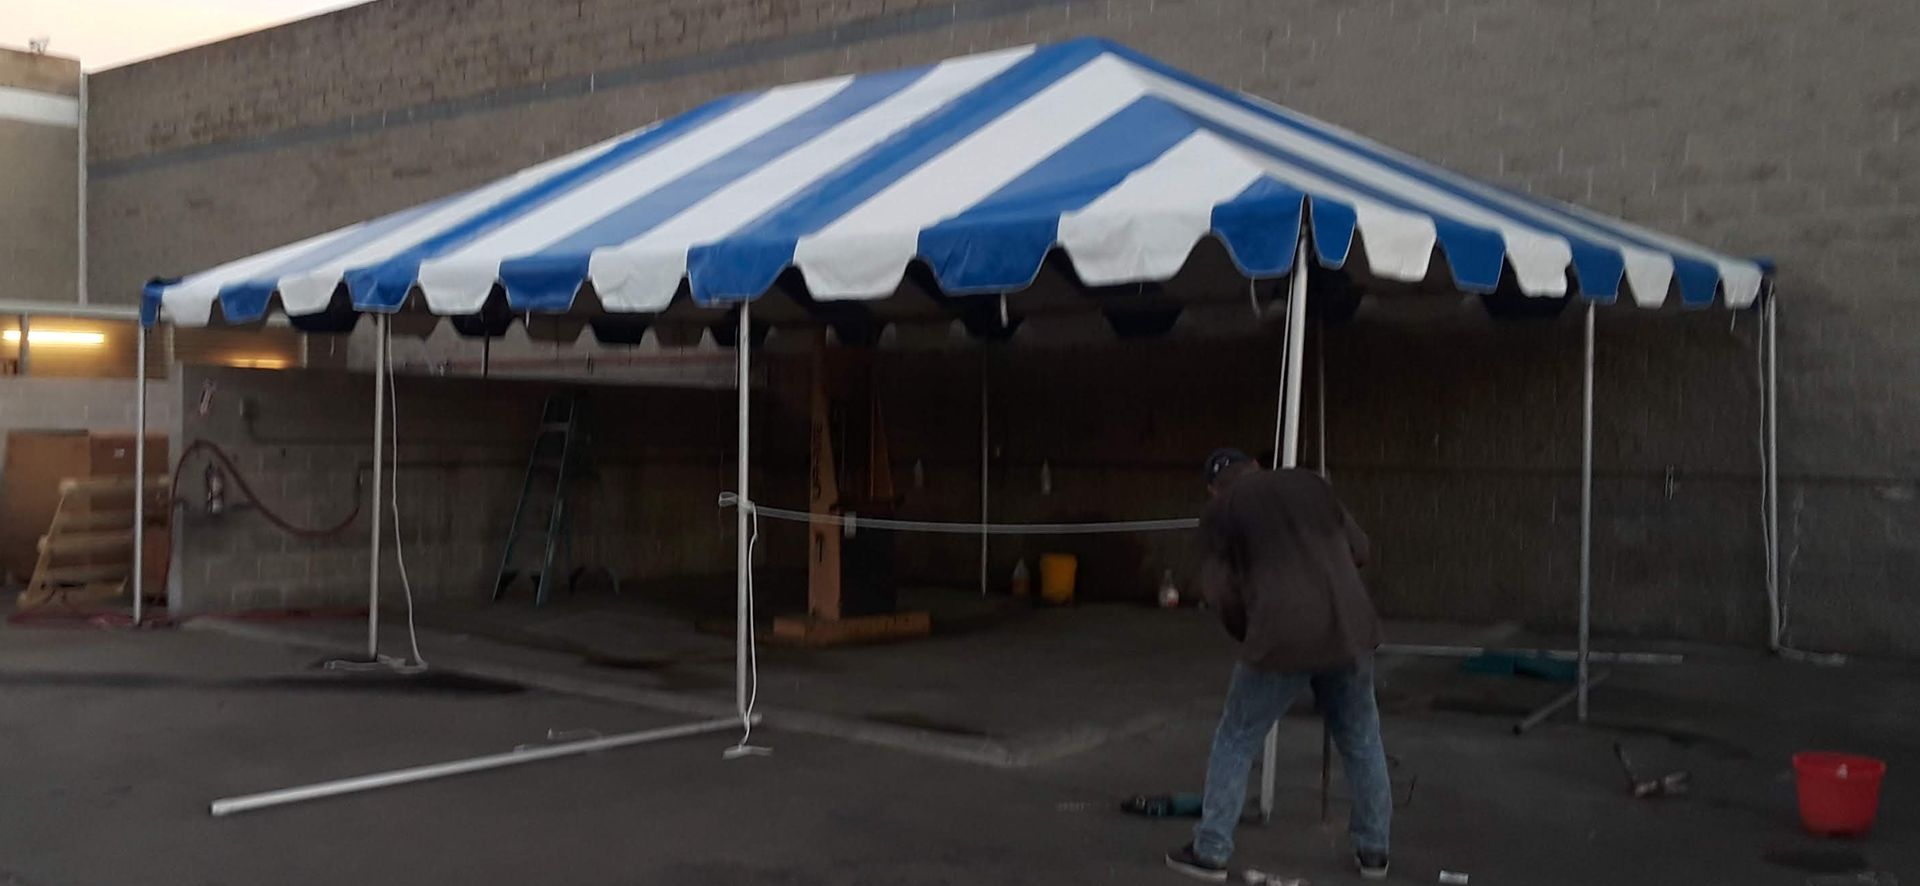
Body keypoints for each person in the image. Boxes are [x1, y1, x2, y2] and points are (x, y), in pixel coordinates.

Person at [1165, 448, 1392, 882]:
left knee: (1236, 737)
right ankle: (1374, 851)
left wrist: (1249, 634)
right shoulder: (1310, 484)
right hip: (1349, 632)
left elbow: (1222, 593)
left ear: (1214, 486)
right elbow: (1360, 549)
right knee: (1362, 739)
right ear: (1256, 466)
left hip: (1280, 638)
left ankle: (1211, 849)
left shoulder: (1220, 512)